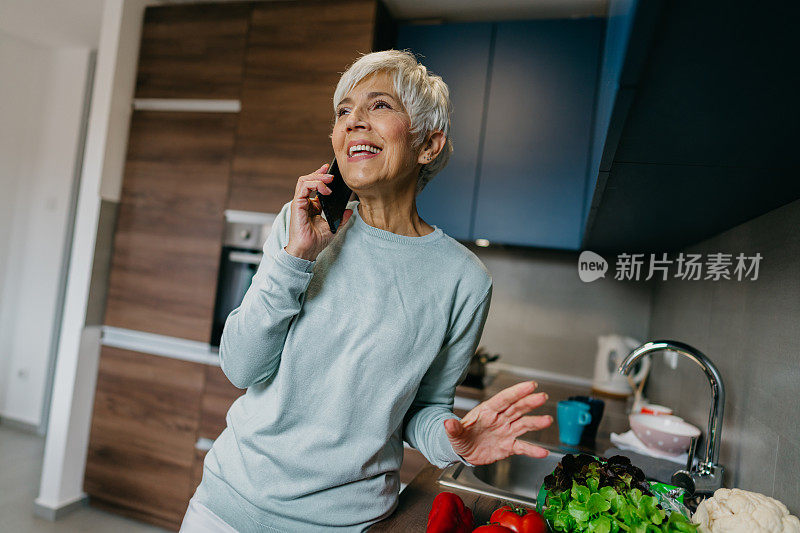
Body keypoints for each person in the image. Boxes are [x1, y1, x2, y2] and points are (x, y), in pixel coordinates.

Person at [180, 50, 552, 533]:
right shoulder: (303, 227)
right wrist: (295, 259)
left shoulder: (464, 281)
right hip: (228, 507)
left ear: (428, 144)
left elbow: (421, 410)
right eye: (343, 111)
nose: (354, 121)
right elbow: (240, 367)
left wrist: (452, 440)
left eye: (379, 106)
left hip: (346, 525)